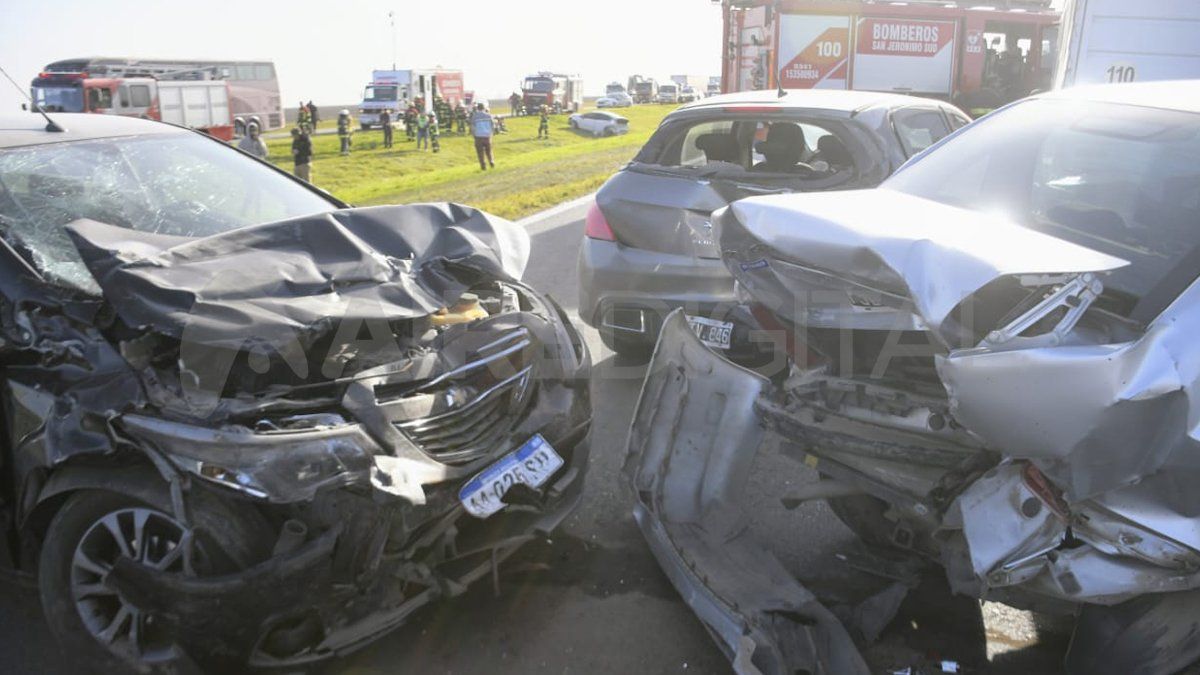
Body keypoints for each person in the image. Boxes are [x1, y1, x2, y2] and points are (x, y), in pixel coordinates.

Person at [470, 102, 495, 170]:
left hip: (478, 136)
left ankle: (483, 165)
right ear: (484, 108)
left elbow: (472, 127)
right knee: (489, 150)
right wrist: (491, 133)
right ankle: (491, 161)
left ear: (477, 108)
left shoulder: (475, 116)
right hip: (487, 136)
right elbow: (492, 125)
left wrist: (473, 135)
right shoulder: (488, 116)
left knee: (480, 152)